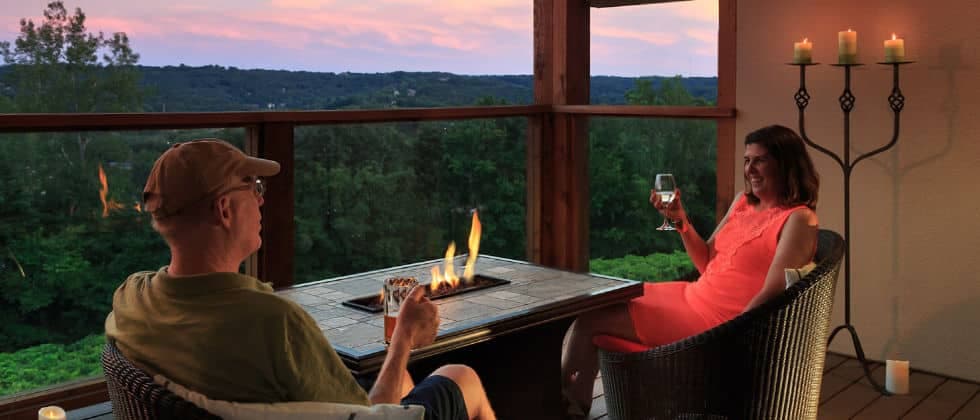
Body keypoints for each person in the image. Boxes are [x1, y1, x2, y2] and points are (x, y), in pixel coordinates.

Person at [104, 139, 496, 420]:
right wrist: (405, 337)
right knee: (461, 376)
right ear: (224, 210)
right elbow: (367, 415)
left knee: (406, 378)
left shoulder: (131, 296)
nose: (261, 199)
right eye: (253, 188)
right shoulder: (273, 324)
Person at [560, 124, 820, 416]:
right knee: (601, 301)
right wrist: (679, 219)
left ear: (785, 164)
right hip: (690, 295)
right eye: (747, 160)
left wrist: (733, 335)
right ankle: (573, 402)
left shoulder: (798, 219)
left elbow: (774, 290)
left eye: (760, 160)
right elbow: (706, 262)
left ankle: (561, 403)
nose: (750, 169)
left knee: (589, 321)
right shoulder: (742, 203)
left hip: (716, 322)